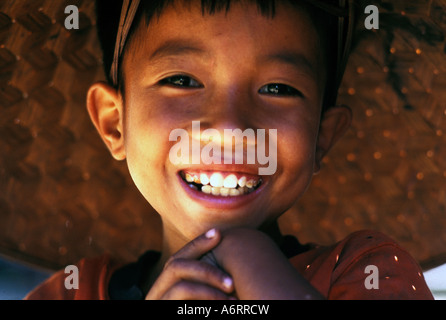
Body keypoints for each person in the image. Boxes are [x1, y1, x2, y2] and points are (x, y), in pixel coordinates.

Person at [26, 0, 434, 300]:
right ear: (115, 123)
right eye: (182, 80)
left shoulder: (369, 273)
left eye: (278, 89)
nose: (229, 128)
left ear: (322, 137)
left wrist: (255, 264)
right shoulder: (69, 295)